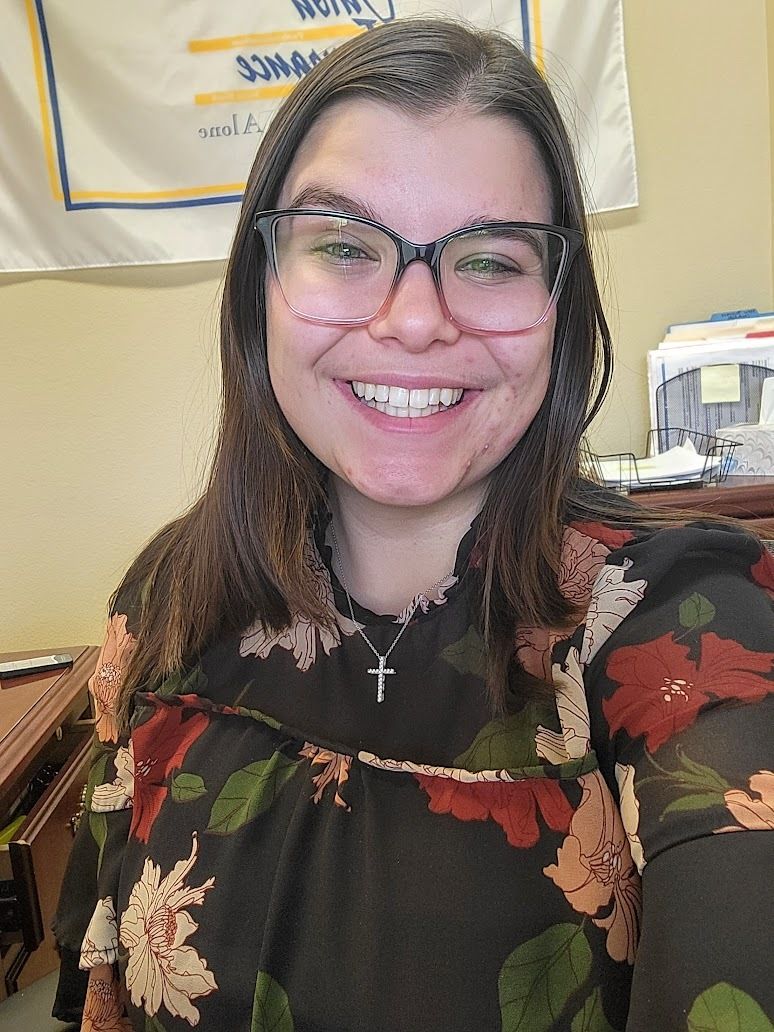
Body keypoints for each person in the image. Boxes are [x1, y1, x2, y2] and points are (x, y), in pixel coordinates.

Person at [52, 17, 773, 1032]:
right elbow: (100, 981)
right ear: (260, 286)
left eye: (488, 260)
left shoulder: (690, 631)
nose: (415, 317)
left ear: (560, 308)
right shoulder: (167, 597)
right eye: (345, 245)